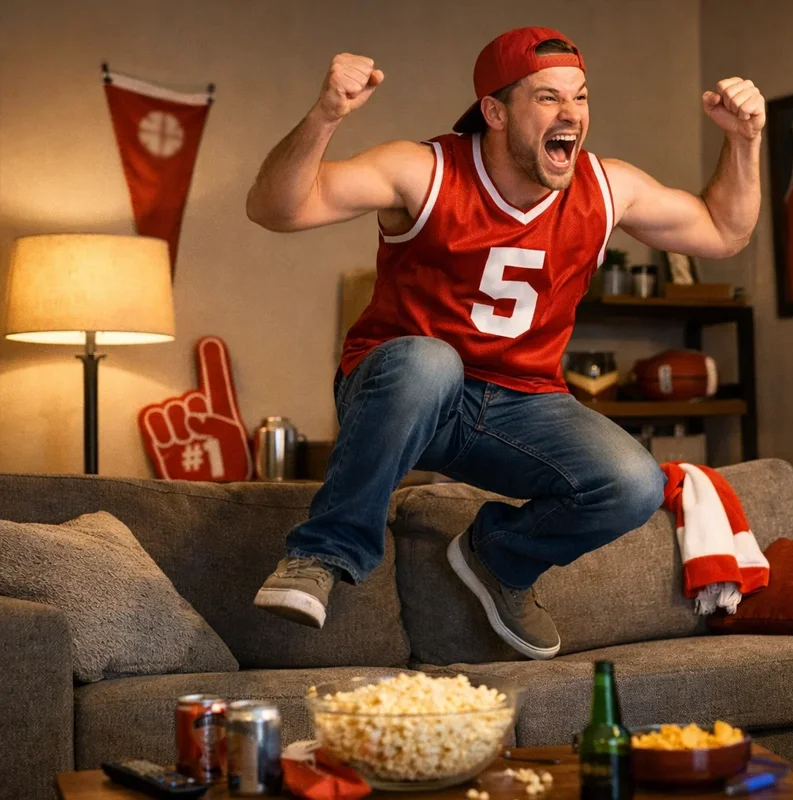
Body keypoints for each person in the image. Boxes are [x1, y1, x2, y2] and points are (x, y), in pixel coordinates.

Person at [243, 27, 765, 660]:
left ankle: (501, 558)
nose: (571, 114)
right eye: (547, 98)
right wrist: (325, 115)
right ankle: (319, 555)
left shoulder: (606, 187)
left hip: (524, 408)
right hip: (408, 391)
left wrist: (744, 140)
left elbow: (723, 231)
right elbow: (276, 208)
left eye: (580, 97)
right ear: (494, 111)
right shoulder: (423, 169)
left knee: (635, 482)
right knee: (430, 360)